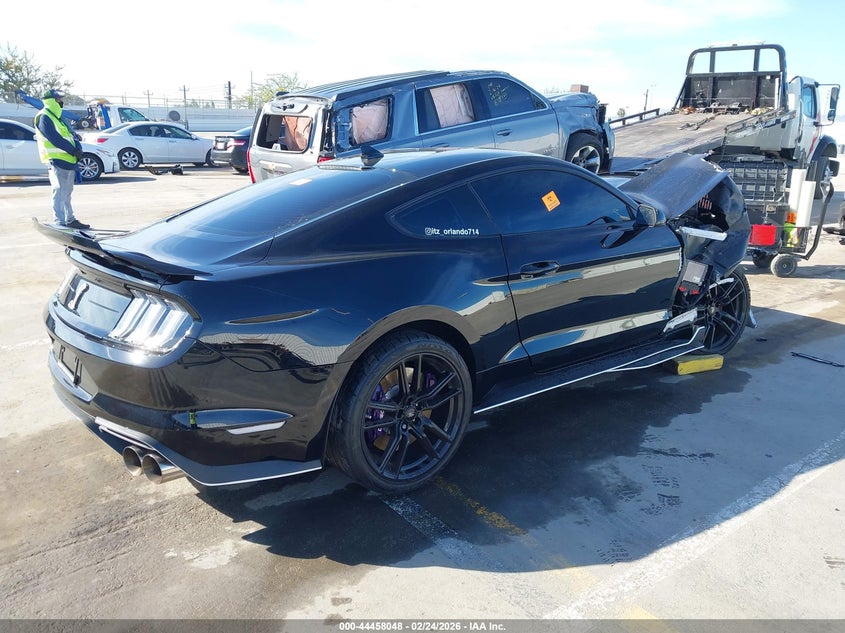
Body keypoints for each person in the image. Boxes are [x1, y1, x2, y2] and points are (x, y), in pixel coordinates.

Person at [33, 89, 89, 229]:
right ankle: (60, 222)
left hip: (68, 160)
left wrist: (78, 148)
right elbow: (54, 138)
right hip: (57, 160)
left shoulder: (58, 117)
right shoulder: (44, 116)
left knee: (66, 192)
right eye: (58, 99)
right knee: (59, 191)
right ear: (51, 100)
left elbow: (70, 135)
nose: (61, 101)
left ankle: (70, 219)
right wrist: (73, 150)